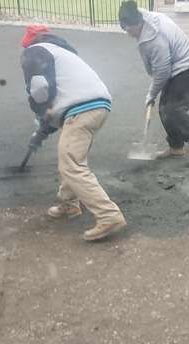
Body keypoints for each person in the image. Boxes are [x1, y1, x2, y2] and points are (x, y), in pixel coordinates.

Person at [21, 35, 126, 242]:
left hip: (81, 109)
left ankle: (109, 215)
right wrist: (42, 131)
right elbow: (55, 108)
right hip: (96, 104)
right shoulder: (62, 53)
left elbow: (40, 91)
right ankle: (68, 204)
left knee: (71, 163)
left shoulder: (34, 52)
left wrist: (40, 116)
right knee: (69, 157)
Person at [118, 0, 189, 165]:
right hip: (174, 66)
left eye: (128, 28)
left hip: (187, 67)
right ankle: (176, 147)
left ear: (137, 23)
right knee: (164, 110)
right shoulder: (143, 21)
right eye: (123, 28)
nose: (127, 32)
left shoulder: (154, 39)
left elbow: (162, 72)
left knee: (173, 109)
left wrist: (151, 94)